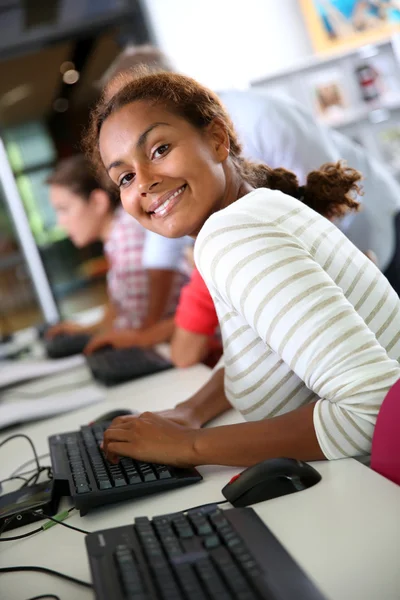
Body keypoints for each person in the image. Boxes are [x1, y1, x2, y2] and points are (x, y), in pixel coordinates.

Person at [84, 69, 400, 468]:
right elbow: (264, 344)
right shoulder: (256, 209)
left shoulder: (231, 235)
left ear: (217, 140)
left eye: (159, 149)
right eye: (125, 177)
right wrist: (190, 411)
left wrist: (190, 446)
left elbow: (375, 413)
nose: (143, 182)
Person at [46, 154, 188, 342]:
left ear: (98, 202)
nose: (60, 223)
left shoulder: (128, 237)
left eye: (64, 209)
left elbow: (134, 325)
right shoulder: (117, 236)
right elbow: (122, 309)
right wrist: (86, 330)